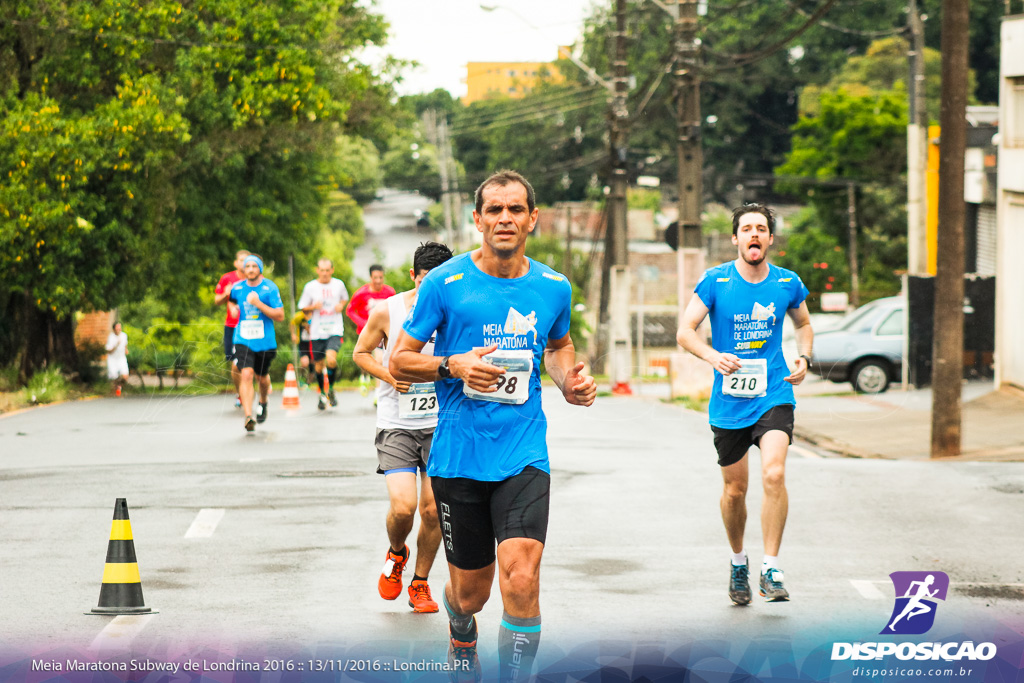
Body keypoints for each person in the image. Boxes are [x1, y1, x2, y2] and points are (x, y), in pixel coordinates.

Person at [390, 171, 596, 682]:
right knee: (471, 594)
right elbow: (399, 360)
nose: (506, 219)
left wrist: (569, 381)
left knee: (522, 577)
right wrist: (452, 365)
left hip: (523, 454)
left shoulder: (553, 286)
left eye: (516, 210)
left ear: (533, 219)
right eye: (495, 210)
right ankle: (462, 635)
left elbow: (558, 346)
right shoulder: (444, 283)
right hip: (459, 457)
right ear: (477, 219)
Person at [675, 202, 814, 605]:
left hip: (774, 392)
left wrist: (803, 357)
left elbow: (803, 323)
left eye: (761, 229)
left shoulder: (787, 283)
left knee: (774, 474)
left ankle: (772, 568)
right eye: (746, 229)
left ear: (770, 238)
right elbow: (685, 331)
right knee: (735, 490)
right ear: (735, 238)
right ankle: (739, 562)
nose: (754, 234)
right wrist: (712, 356)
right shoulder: (716, 282)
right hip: (730, 400)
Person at [353, 241, 454, 614]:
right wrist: (389, 375)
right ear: (413, 276)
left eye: (439, 282)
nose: (431, 290)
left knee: (432, 511)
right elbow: (361, 352)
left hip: (441, 424)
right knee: (403, 507)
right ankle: (397, 553)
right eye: (425, 280)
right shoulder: (387, 310)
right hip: (396, 423)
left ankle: (421, 583)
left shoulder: (457, 311)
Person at [228, 254, 285, 432]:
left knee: (262, 378)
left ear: (260, 268)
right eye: (248, 266)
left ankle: (263, 401)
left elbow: (280, 316)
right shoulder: (237, 287)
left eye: (254, 266)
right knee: (246, 374)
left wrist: (258, 304)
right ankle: (248, 416)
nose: (251, 269)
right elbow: (230, 302)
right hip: (243, 338)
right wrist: (233, 310)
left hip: (265, 340)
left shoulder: (270, 288)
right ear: (243, 269)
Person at [298, 258, 350, 410]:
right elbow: (303, 308)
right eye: (322, 270)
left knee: (331, 359)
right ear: (317, 270)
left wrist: (341, 305)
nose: (325, 273)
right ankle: (322, 393)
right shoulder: (310, 287)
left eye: (328, 270)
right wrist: (314, 306)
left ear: (332, 270)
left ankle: (331, 388)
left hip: (334, 328)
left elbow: (344, 298)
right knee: (319, 367)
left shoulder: (338, 284)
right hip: (317, 331)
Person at [347, 264, 396, 396]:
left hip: (383, 332)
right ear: (370, 277)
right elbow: (350, 310)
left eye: (380, 277)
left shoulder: (390, 292)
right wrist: (362, 323)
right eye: (375, 277)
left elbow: (394, 310)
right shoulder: (361, 293)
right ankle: (364, 377)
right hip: (366, 332)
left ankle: (377, 392)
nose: (378, 281)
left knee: (380, 360)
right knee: (365, 357)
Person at [214, 249, 250, 407]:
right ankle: (240, 393)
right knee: (234, 364)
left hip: (251, 326)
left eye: (247, 260)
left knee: (250, 362)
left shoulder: (255, 280)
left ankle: (252, 388)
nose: (244, 263)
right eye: (241, 260)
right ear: (236, 263)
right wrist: (226, 294)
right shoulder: (228, 278)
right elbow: (217, 300)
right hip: (232, 326)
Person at [105, 321, 129, 396]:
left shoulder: (124, 335)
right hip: (113, 359)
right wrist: (116, 345)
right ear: (114, 329)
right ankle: (117, 391)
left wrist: (126, 349)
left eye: (120, 328)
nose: (119, 330)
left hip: (121, 357)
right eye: (117, 328)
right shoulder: (111, 337)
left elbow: (125, 344)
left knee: (125, 375)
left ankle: (120, 387)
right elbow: (109, 351)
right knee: (114, 377)